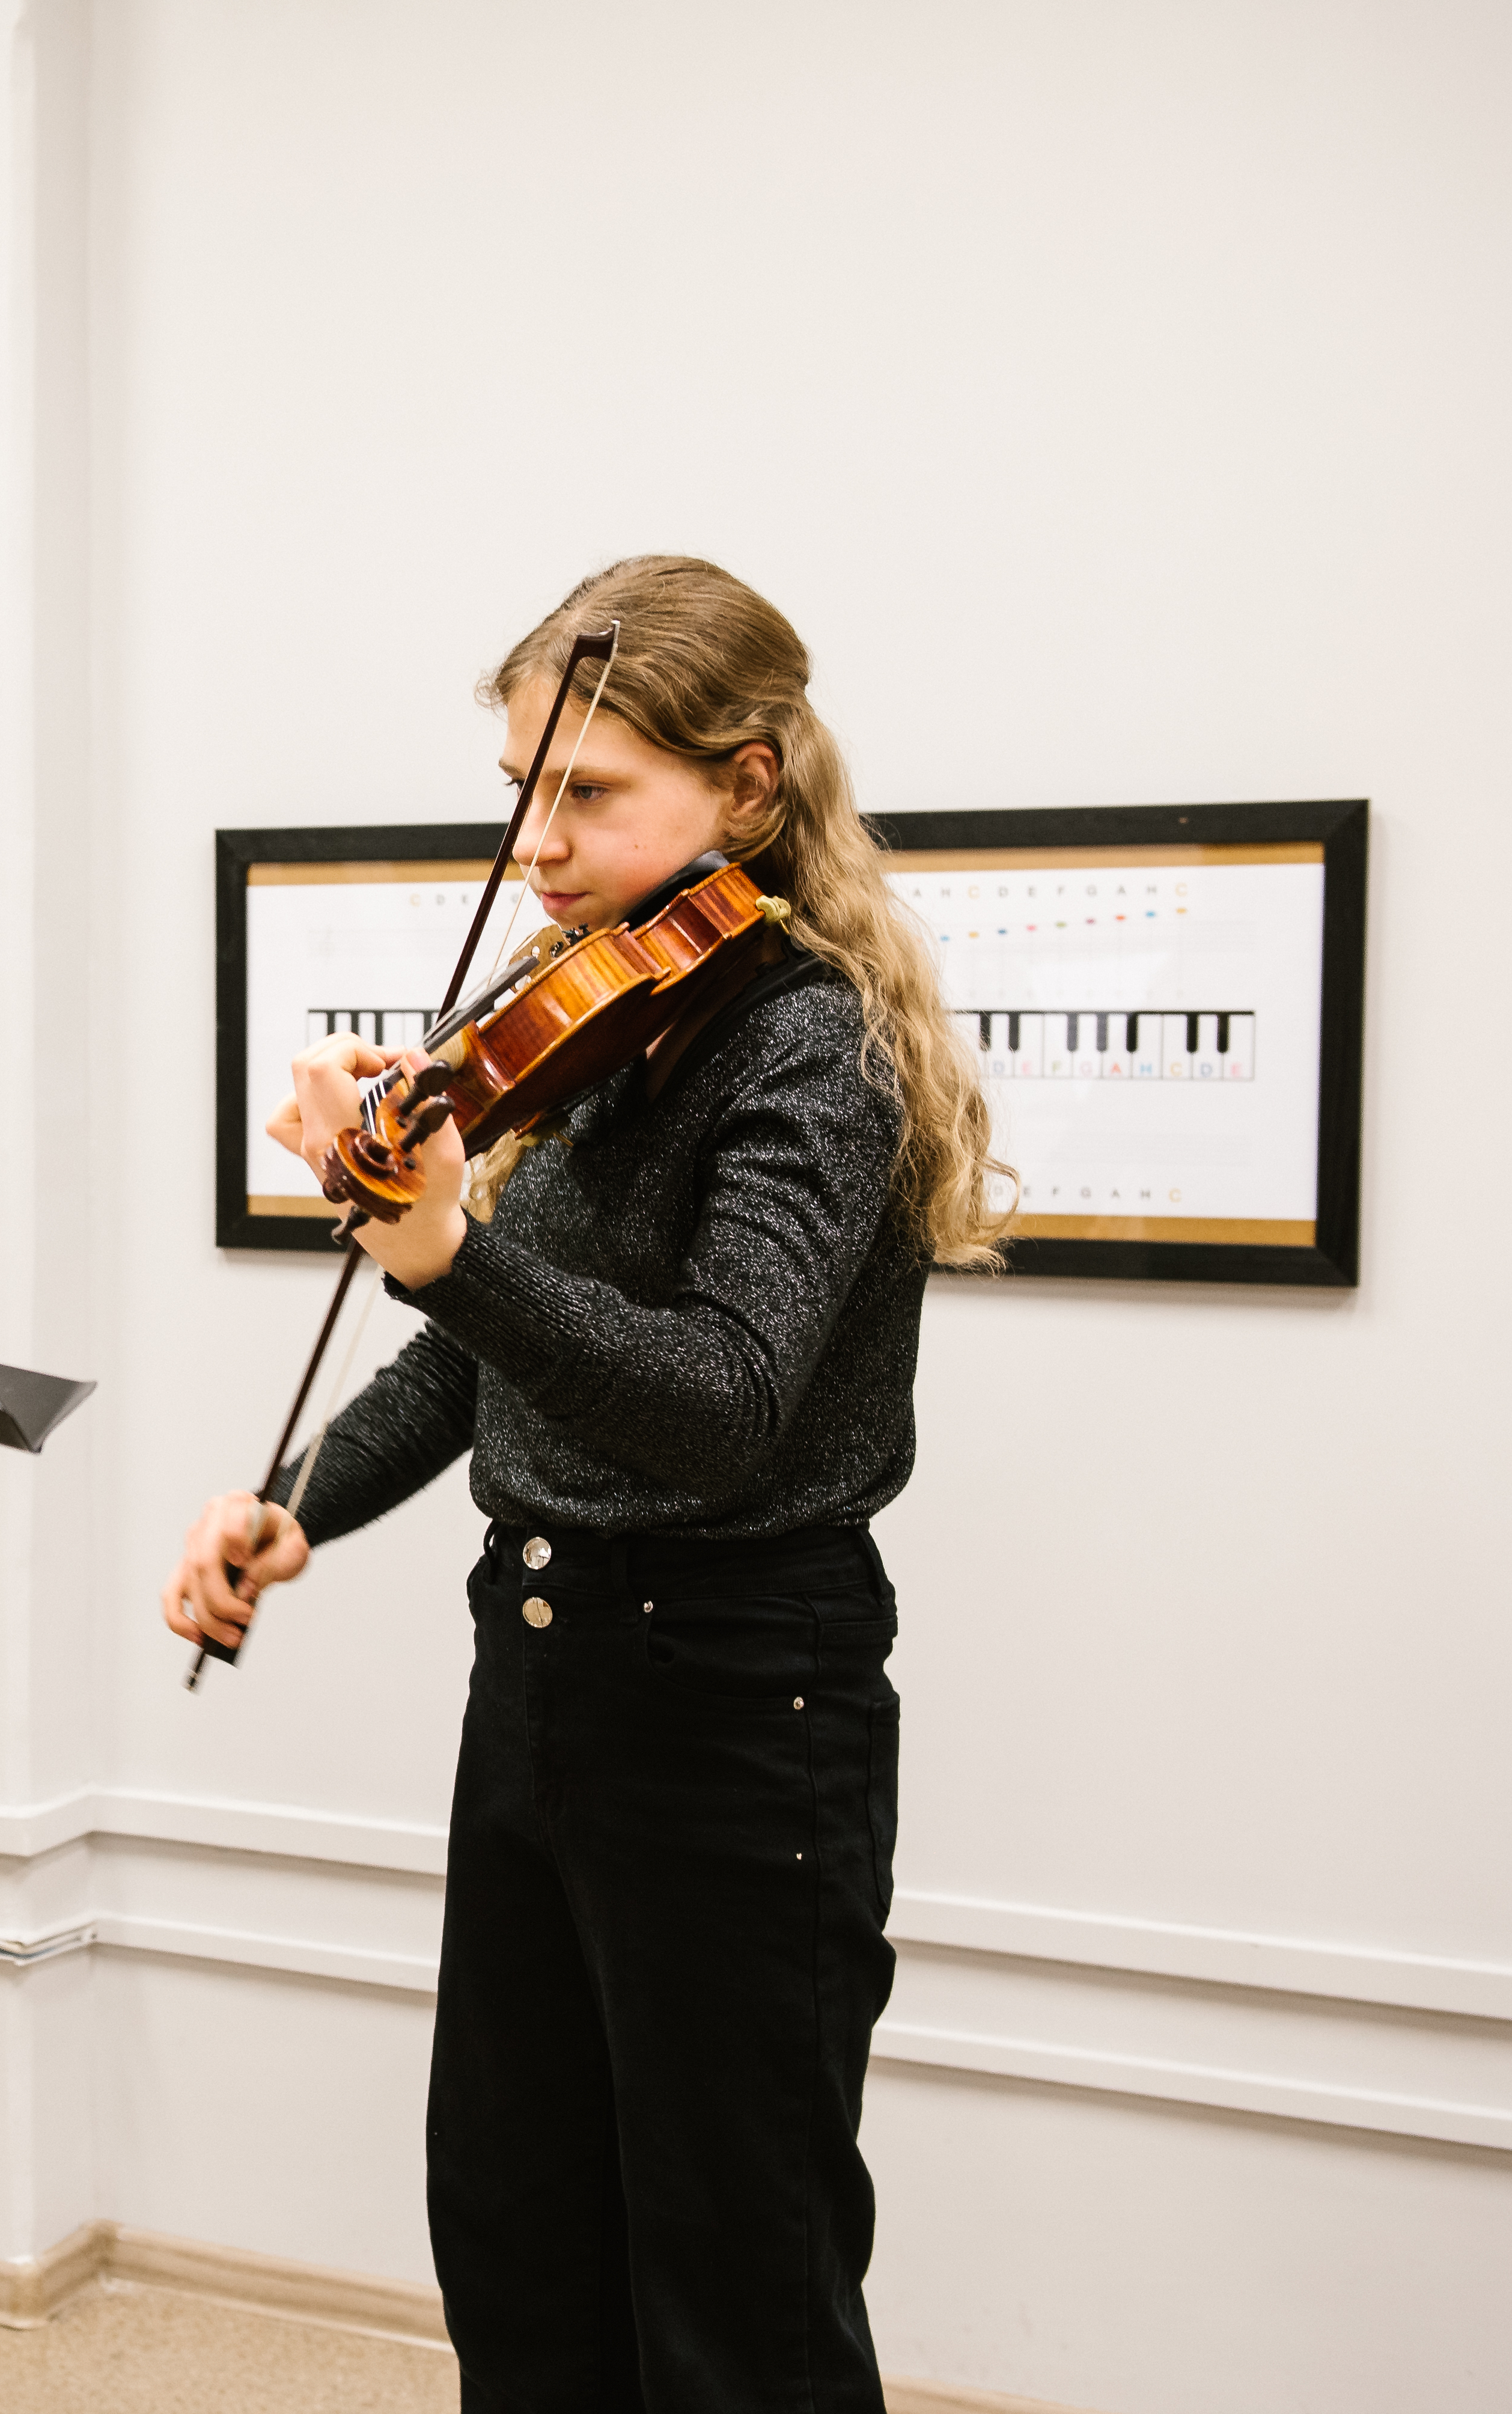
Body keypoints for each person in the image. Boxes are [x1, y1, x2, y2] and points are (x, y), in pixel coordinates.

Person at [160, 556, 1008, 2412]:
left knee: (736, 2286)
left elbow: (717, 1401)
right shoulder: (594, 1010)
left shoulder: (812, 1040)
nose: (539, 843)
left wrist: (455, 1246)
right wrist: (310, 1499)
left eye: (590, 791)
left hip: (736, 1697)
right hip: (541, 1670)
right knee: (521, 2236)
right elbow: (489, 1352)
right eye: (525, 794)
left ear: (752, 787)